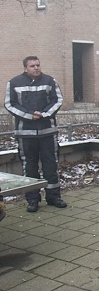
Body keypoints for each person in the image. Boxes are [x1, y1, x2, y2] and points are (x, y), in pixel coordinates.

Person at [5, 56, 66, 212]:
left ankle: (53, 197)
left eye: (38, 65)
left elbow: (57, 100)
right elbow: (10, 104)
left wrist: (44, 114)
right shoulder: (14, 83)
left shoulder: (50, 81)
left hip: (48, 132)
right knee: (30, 168)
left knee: (51, 166)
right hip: (25, 135)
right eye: (32, 66)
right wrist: (28, 114)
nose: (36, 68)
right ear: (25, 68)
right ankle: (32, 200)